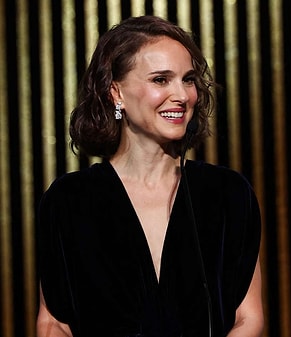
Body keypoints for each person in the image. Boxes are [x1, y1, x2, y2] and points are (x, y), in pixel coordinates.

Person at [36, 15, 263, 337]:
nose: (182, 95)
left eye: (188, 79)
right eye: (161, 80)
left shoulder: (226, 192)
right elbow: (54, 322)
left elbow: (248, 318)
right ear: (116, 93)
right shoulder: (69, 199)